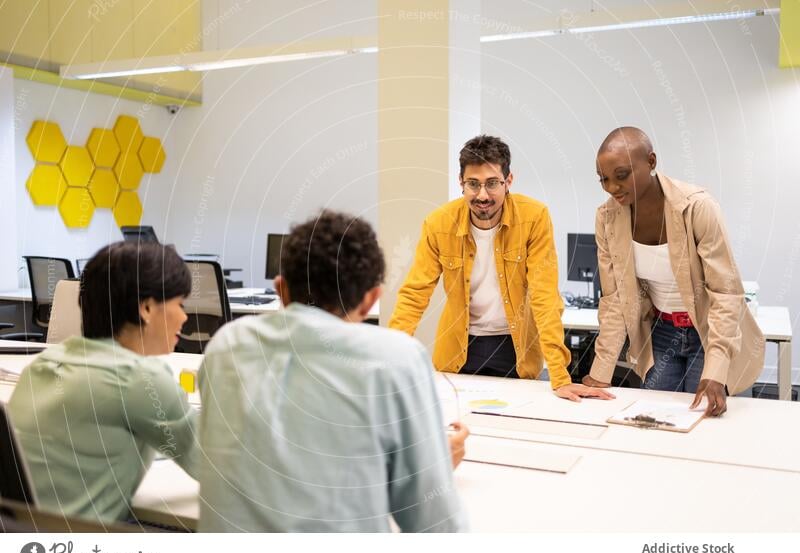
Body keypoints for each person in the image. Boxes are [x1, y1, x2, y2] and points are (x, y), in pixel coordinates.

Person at [197, 210, 467, 532]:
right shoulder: (395, 360)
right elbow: (435, 525)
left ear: (280, 290)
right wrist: (429, 464)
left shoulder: (226, 347)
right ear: (371, 300)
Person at [389, 135, 611, 401]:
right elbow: (414, 295)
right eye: (473, 184)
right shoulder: (439, 224)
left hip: (514, 349)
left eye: (492, 183)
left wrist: (560, 376)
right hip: (459, 349)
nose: (482, 195)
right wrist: (389, 364)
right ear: (461, 183)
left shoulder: (533, 217)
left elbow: (545, 298)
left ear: (509, 181)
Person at [9, 242, 200, 523]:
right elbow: (219, 468)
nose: (185, 317)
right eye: (180, 304)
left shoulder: (41, 364)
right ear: (146, 307)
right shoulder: (142, 379)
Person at [582, 127, 765, 416]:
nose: (612, 187)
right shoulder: (607, 218)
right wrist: (601, 373)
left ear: (651, 162)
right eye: (604, 179)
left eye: (622, 175)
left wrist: (716, 370)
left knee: (703, 422)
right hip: (661, 332)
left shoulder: (697, 207)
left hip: (708, 331)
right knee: (654, 419)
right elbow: (615, 300)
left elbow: (726, 294)